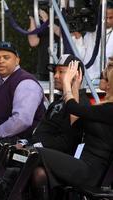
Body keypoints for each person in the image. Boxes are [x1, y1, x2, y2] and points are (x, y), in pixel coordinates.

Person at [10, 61, 113, 200]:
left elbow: (73, 108)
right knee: (38, 172)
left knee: (34, 152)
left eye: (104, 78)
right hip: (81, 166)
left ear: (110, 84)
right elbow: (75, 121)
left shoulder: (109, 110)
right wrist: (75, 86)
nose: (100, 78)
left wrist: (67, 84)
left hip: (90, 172)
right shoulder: (102, 107)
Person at [0, 41, 45, 143]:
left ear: (17, 60)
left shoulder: (26, 83)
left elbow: (21, 121)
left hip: (17, 148)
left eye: (6, 57)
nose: (1, 61)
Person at [31, 54, 90, 155]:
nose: (55, 76)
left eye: (61, 72)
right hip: (37, 151)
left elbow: (68, 141)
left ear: (76, 74)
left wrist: (37, 147)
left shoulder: (81, 104)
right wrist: (25, 143)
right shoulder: (57, 102)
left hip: (54, 159)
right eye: (55, 71)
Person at [28, 9, 60, 81]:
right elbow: (33, 42)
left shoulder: (61, 19)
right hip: (44, 69)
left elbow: (62, 34)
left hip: (61, 68)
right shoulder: (39, 23)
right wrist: (32, 17)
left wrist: (47, 21)